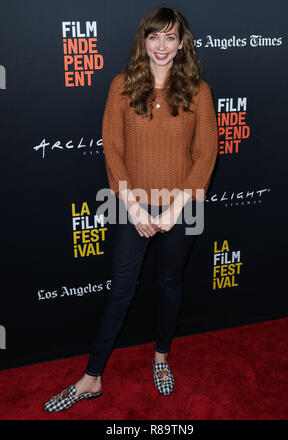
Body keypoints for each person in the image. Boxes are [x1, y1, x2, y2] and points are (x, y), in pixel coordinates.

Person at [44, 5, 219, 412]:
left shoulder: (199, 91)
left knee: (170, 285)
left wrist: (175, 208)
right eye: (154, 36)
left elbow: (206, 154)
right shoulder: (121, 86)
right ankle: (92, 377)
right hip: (131, 205)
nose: (161, 45)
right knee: (120, 292)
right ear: (144, 40)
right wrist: (134, 207)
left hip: (183, 207)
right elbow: (114, 150)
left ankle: (160, 356)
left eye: (170, 37)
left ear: (181, 44)